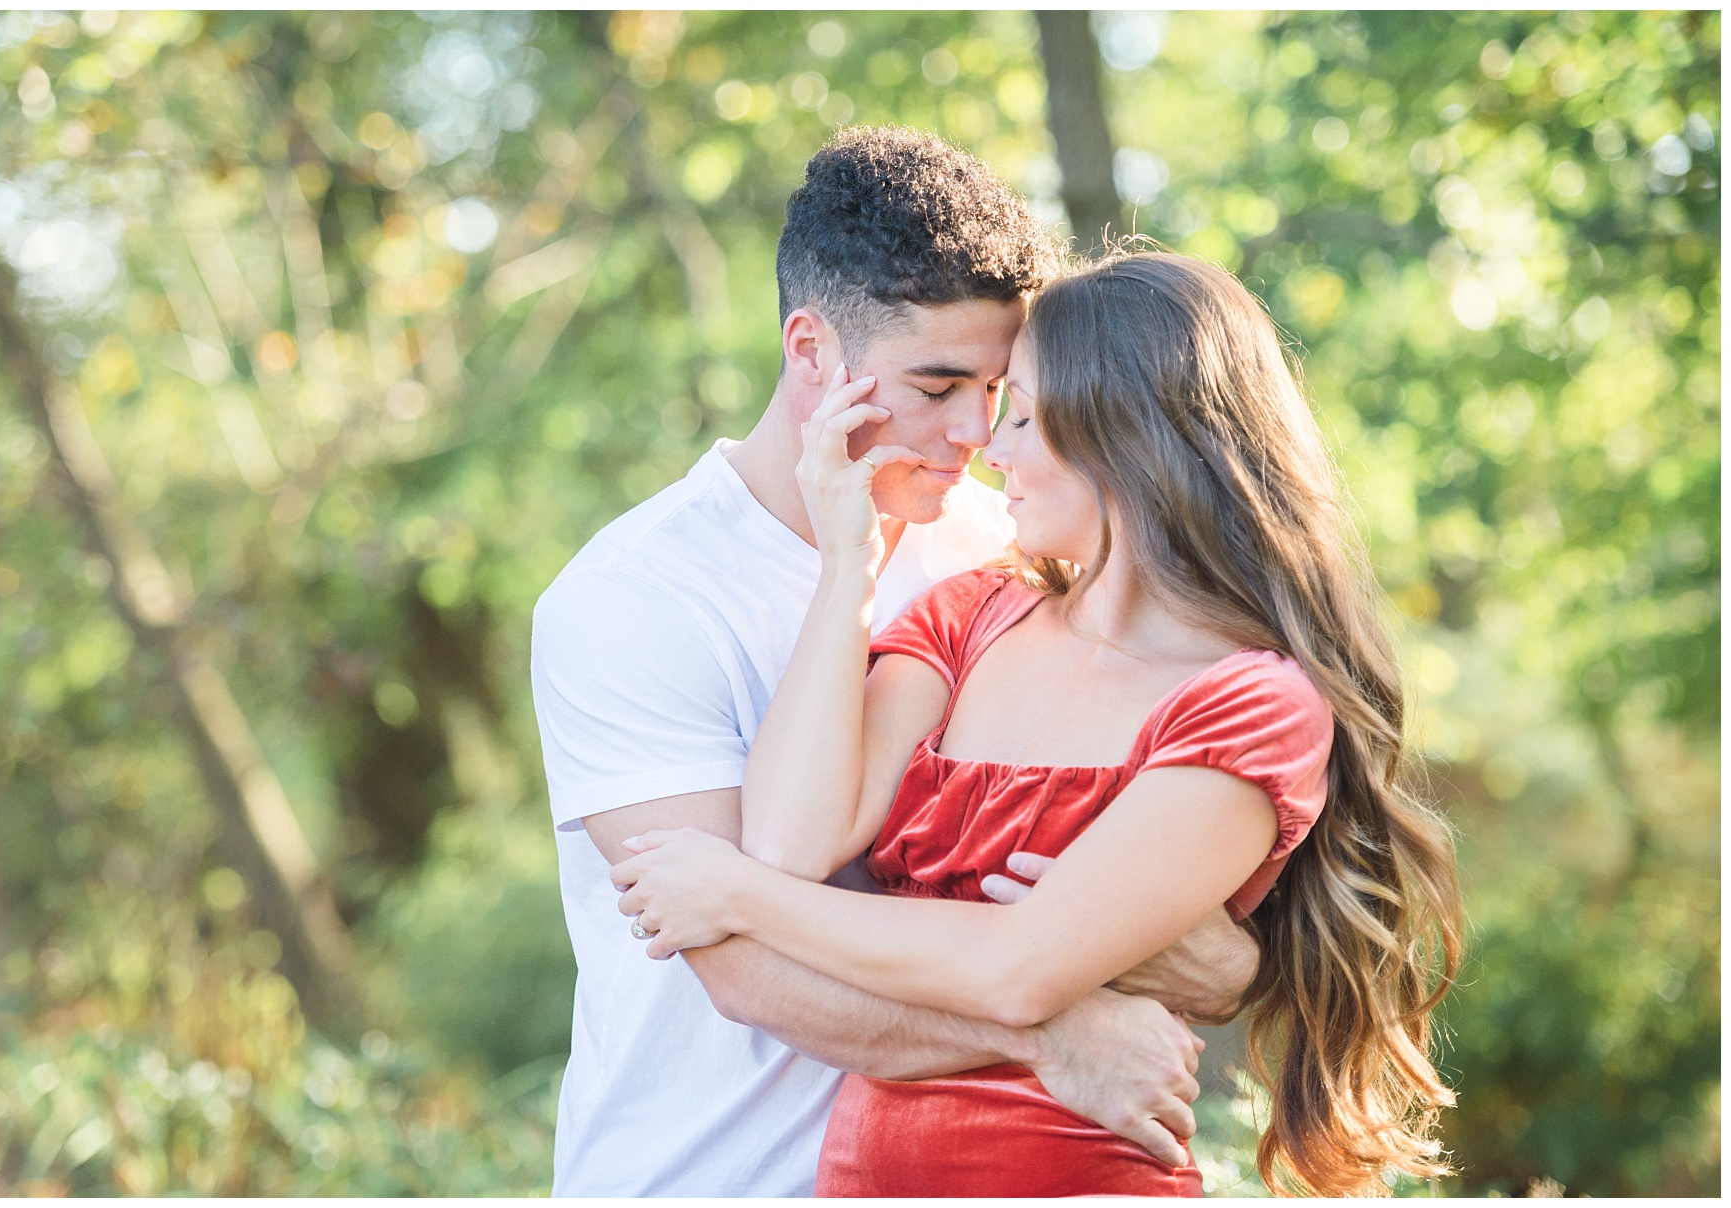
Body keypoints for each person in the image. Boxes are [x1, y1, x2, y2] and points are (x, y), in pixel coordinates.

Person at [610, 250, 1465, 1197]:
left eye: (1017, 413)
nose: (989, 448)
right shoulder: (971, 615)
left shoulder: (1249, 706)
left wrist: (731, 895)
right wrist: (845, 563)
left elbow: (1017, 972)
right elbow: (787, 840)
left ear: (1126, 437)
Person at [530, 130, 1258, 1197]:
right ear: (811, 351)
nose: (974, 432)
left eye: (999, 389)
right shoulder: (629, 603)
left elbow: (1141, 881)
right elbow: (744, 963)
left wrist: (1223, 958)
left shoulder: (1007, 553)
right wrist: (1048, 1031)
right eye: (935, 384)